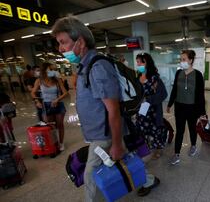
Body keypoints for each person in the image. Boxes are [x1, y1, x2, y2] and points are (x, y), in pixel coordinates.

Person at [51, 16, 159, 201]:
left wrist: (116, 144)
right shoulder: (86, 65)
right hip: (102, 132)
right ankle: (148, 180)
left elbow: (113, 110)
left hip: (105, 134)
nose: (60, 49)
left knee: (91, 176)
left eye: (63, 42)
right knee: (124, 162)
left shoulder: (98, 67)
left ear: (81, 42)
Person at [167, 50, 206, 165]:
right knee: (180, 130)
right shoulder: (178, 73)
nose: (181, 61)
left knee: (192, 128)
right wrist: (170, 104)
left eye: (183, 59)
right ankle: (176, 154)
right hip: (179, 106)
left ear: (190, 60)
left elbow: (200, 94)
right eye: (181, 59)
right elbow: (175, 90)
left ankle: (193, 145)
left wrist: (202, 111)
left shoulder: (198, 75)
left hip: (192, 107)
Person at [135, 52, 167, 160]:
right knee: (142, 130)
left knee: (155, 130)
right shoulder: (137, 77)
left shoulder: (154, 79)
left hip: (153, 111)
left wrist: (148, 99)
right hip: (141, 111)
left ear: (146, 63)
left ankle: (158, 149)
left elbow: (163, 94)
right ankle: (144, 148)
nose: (138, 65)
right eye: (137, 62)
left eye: (139, 62)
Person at [31, 62, 68, 151]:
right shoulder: (39, 80)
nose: (52, 71)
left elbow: (66, 93)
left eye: (52, 70)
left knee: (60, 125)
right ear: (45, 70)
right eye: (50, 69)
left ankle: (61, 143)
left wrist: (57, 99)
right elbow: (32, 92)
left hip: (58, 104)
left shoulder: (57, 80)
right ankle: (53, 143)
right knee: (50, 126)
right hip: (46, 105)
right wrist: (37, 101)